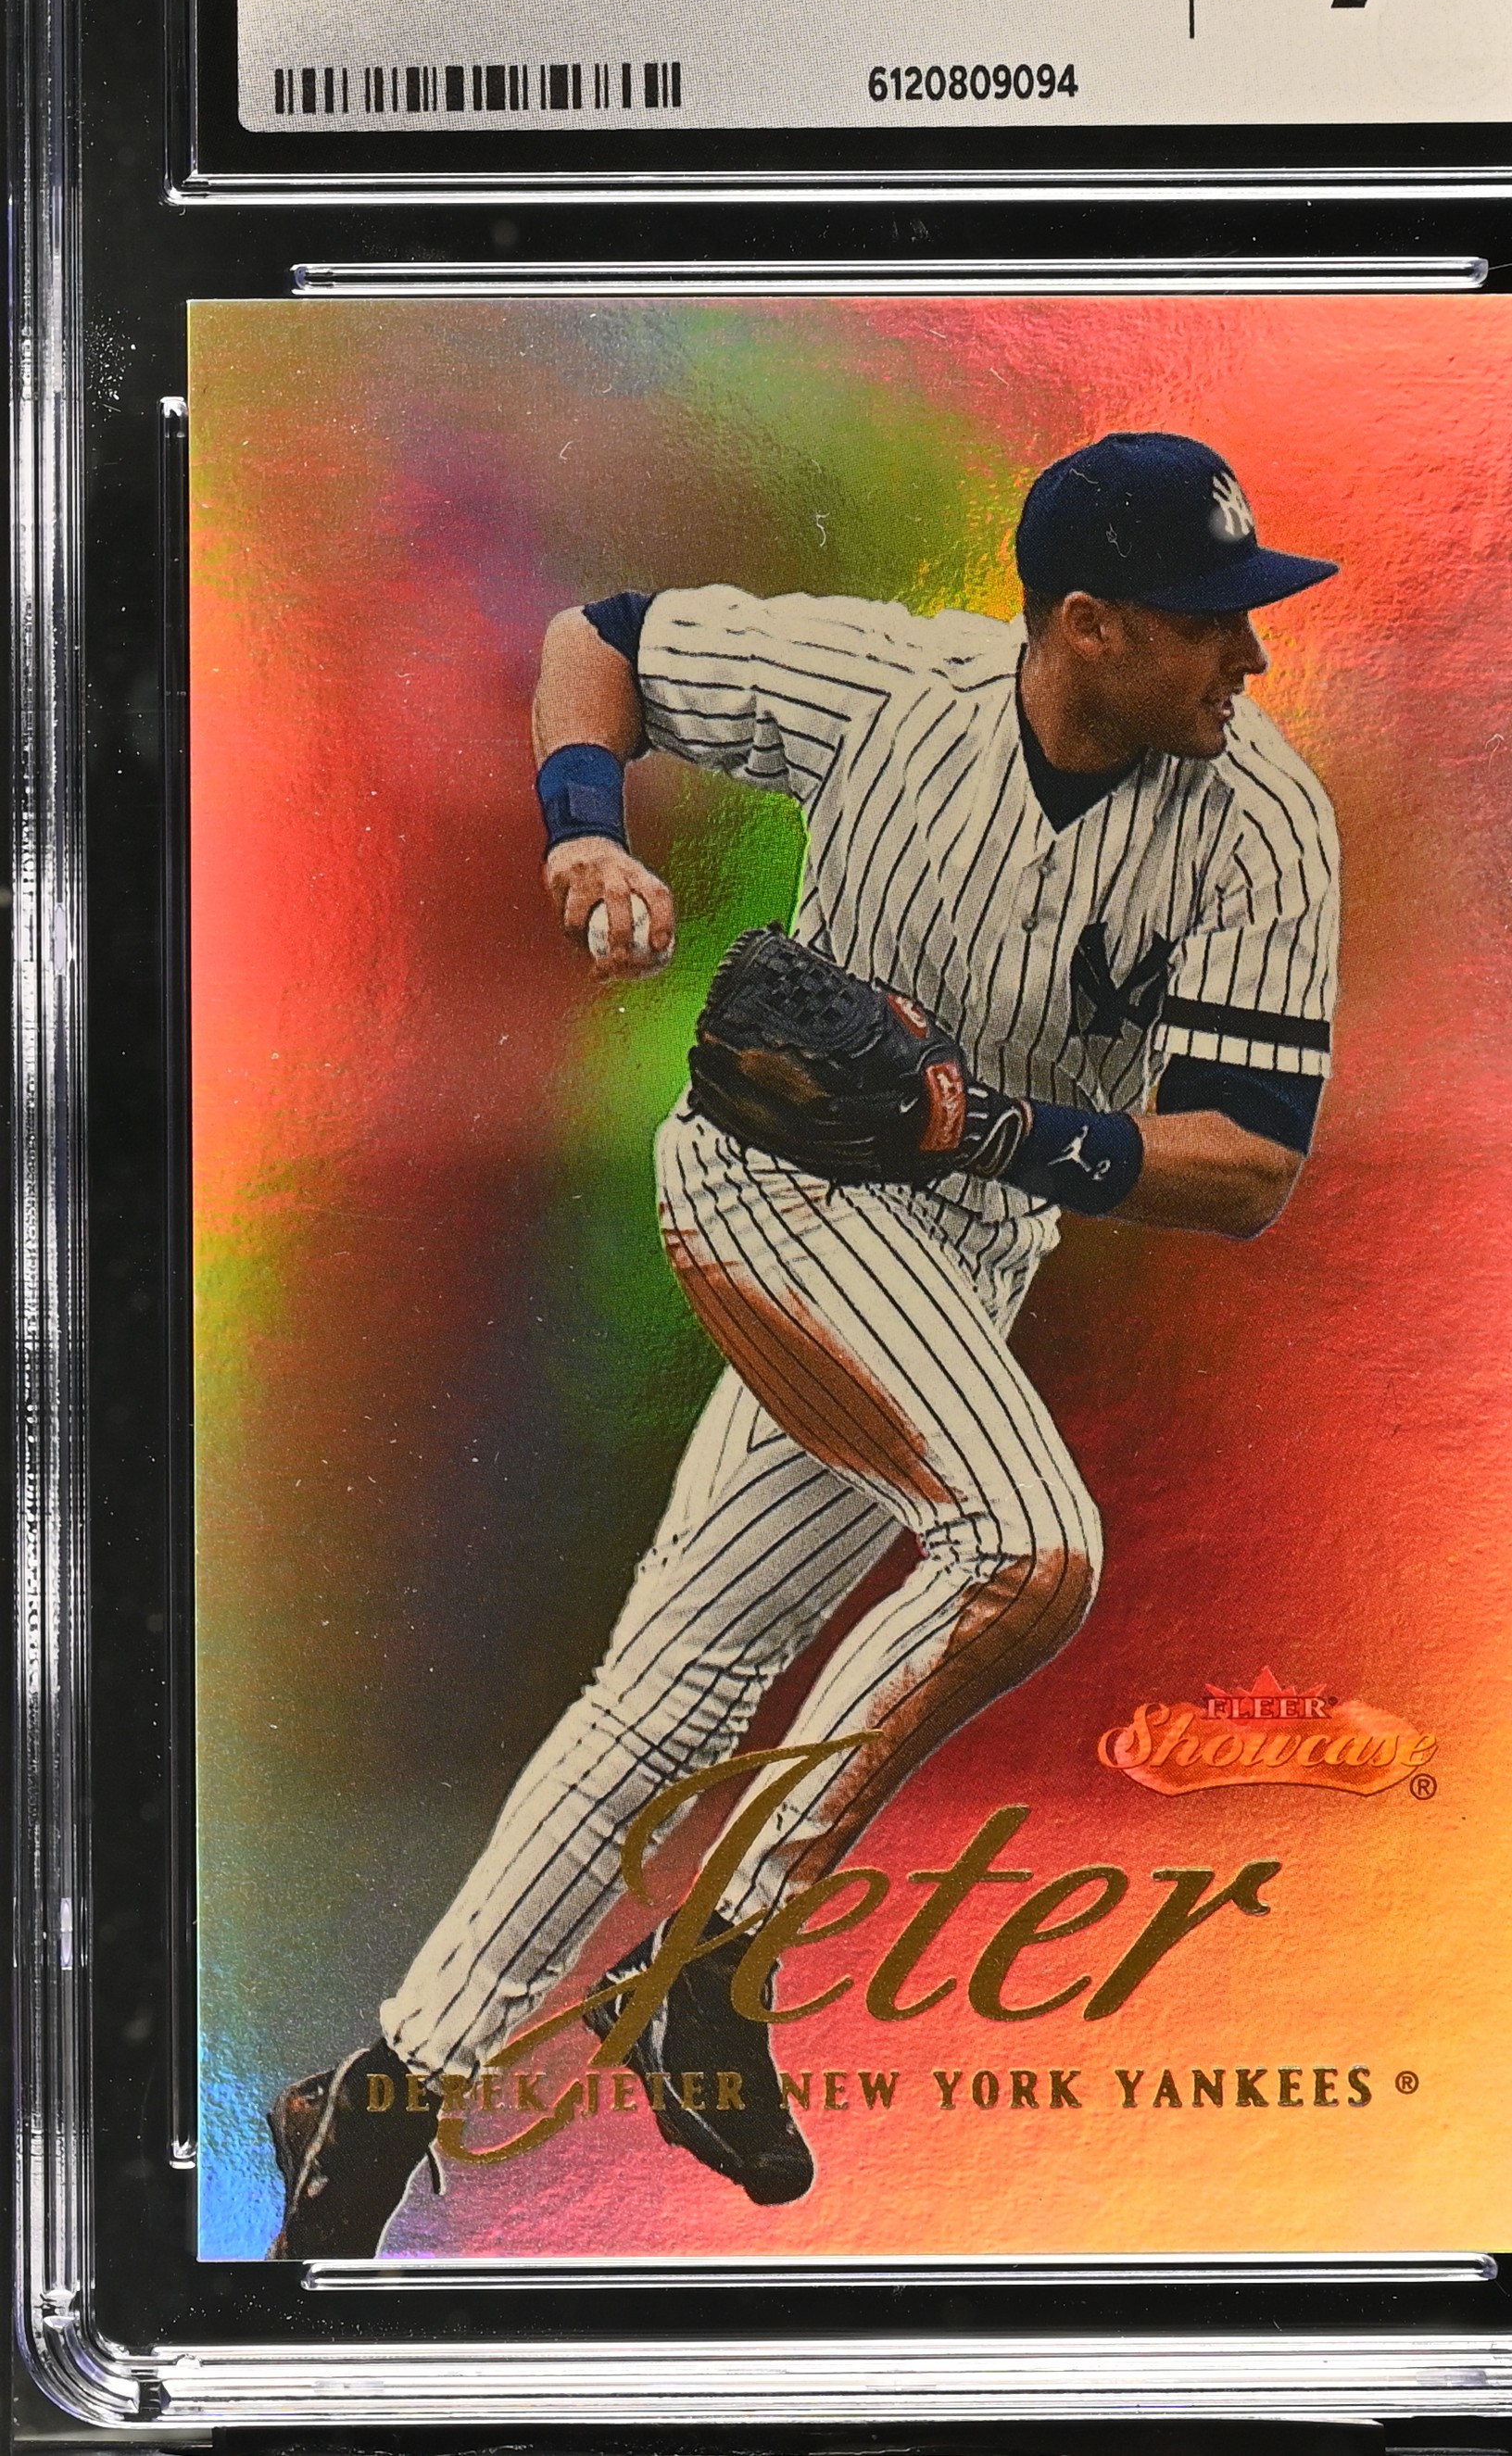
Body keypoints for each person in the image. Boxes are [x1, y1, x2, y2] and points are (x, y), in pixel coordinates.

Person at [267, 429, 1340, 2255]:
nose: (1247, 651)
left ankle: (372, 2096)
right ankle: (719, 1963)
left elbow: (1243, 1164)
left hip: (962, 1247)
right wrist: (585, 826)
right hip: (770, 1182)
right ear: (1084, 621)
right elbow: (598, 638)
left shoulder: (1262, 817)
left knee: (675, 1688)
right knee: (1025, 1545)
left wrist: (993, 1130)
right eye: (1204, 617)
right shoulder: (892, 685)